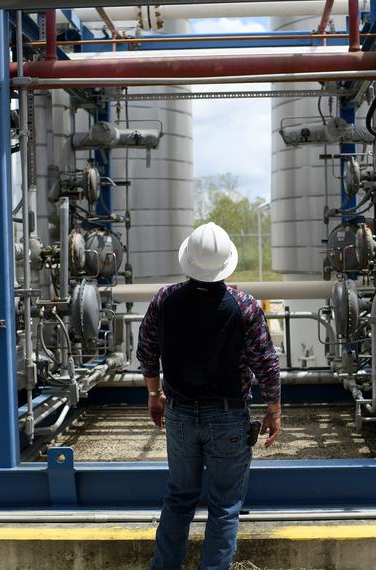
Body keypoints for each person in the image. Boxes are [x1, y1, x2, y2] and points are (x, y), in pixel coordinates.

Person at [137, 222, 282, 570]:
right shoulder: (244, 307)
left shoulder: (164, 299)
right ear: (227, 262)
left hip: (180, 414)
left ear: (187, 259)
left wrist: (154, 394)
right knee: (225, 506)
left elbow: (146, 351)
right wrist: (274, 409)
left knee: (179, 499)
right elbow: (266, 363)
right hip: (229, 416)